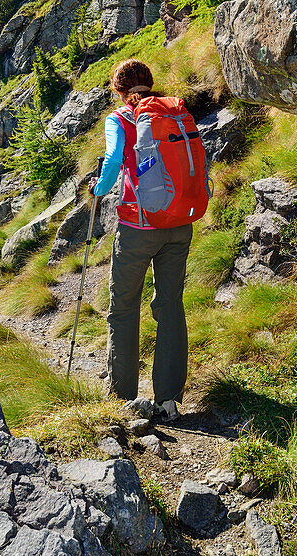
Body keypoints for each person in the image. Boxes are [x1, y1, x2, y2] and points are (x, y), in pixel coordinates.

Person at [89, 58, 193, 421]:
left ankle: (123, 397)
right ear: (150, 84)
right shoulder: (173, 111)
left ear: (118, 90)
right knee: (170, 305)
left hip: (139, 227)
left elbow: (115, 157)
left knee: (123, 306)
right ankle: (168, 398)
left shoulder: (120, 118)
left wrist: (99, 189)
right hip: (180, 223)